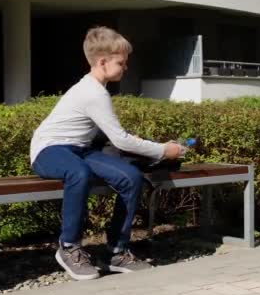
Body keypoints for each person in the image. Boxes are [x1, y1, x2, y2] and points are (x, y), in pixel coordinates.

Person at [30, 26, 183, 280]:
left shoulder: (96, 90)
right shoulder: (93, 92)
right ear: (102, 62)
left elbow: (108, 134)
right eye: (121, 63)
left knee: (131, 177)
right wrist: (164, 150)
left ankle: (117, 251)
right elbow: (121, 141)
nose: (125, 68)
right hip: (49, 150)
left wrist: (135, 142)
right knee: (78, 173)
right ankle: (69, 247)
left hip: (80, 149)